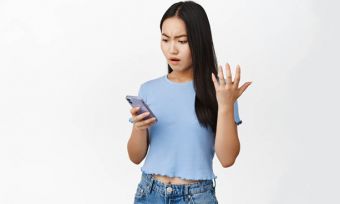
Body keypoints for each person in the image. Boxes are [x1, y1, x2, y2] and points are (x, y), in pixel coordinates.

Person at [127, 1, 252, 203]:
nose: (172, 50)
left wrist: (226, 106)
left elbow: (227, 159)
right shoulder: (148, 89)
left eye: (182, 41)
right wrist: (139, 128)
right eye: (165, 39)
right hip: (149, 193)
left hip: (196, 196)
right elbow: (135, 157)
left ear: (199, 41)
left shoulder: (220, 92)